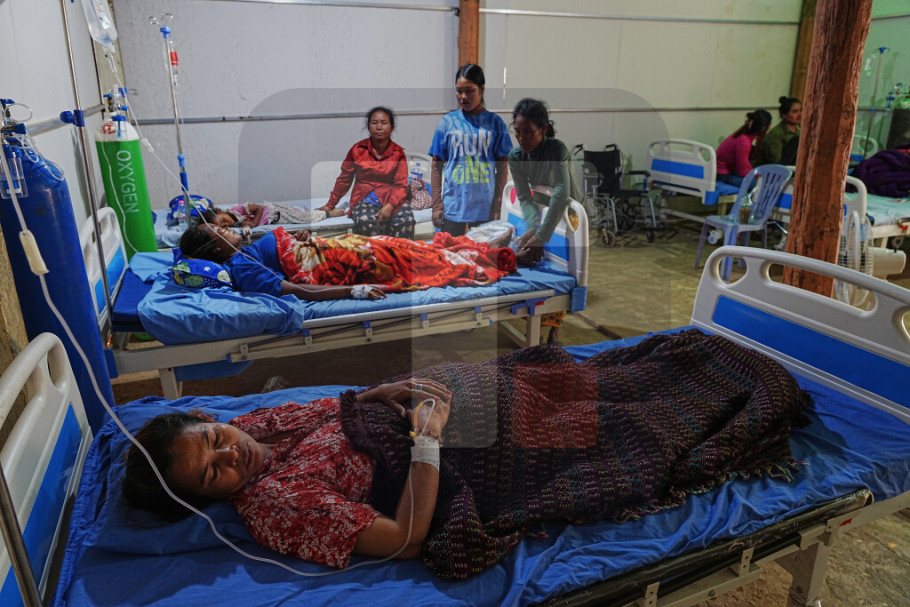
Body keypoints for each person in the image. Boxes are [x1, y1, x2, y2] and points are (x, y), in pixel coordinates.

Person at [121, 330, 810, 580]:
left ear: (208, 418)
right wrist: (427, 437)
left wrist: (382, 391)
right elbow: (404, 539)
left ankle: (686, 366)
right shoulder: (276, 509)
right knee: (622, 426)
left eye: (214, 440)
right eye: (212, 474)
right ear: (205, 499)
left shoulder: (253, 420)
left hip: (440, 399)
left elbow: (337, 408)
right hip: (452, 451)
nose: (230, 456)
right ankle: (723, 388)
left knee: (573, 375)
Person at [177, 220, 516, 298]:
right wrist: (353, 291)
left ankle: (479, 247)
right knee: (414, 260)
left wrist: (298, 239)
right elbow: (297, 289)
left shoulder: (245, 253)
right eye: (220, 230)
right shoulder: (243, 268)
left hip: (342, 247)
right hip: (345, 264)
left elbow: (288, 253)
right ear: (216, 250)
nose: (229, 228)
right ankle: (486, 255)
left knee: (403, 246)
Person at [507, 98, 583, 345]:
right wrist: (532, 227)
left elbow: (561, 191)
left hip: (568, 213)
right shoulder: (516, 157)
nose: (522, 138)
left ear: (543, 129)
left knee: (565, 269)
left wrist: (542, 235)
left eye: (528, 132)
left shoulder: (556, 150)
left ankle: (554, 331)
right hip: (542, 210)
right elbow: (524, 197)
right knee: (541, 264)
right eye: (518, 132)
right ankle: (537, 322)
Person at [429, 64, 513, 236]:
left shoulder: (495, 123)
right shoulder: (447, 123)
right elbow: (436, 166)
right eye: (459, 91)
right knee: (451, 251)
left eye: (469, 91)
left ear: (482, 89)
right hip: (453, 207)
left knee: (482, 251)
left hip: (485, 207)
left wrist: (497, 206)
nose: (463, 97)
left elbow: (502, 168)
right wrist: (436, 206)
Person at [316, 107, 415, 239]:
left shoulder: (398, 154)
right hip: (364, 198)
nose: (379, 127)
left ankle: (398, 252)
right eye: (374, 123)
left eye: (384, 123)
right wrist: (330, 205)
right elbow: (344, 180)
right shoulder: (357, 150)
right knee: (366, 221)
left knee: (406, 220)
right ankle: (377, 252)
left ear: (392, 128)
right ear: (368, 127)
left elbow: (401, 185)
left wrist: (389, 207)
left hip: (391, 199)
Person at [715, 109, 772, 188]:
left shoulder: (743, 132)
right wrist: (759, 176)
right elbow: (742, 171)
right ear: (764, 128)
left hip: (728, 169)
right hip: (722, 174)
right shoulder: (744, 141)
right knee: (761, 185)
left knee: (754, 168)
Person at [201, 202, 327, 230]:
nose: (227, 224)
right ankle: (320, 211)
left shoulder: (238, 209)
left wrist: (254, 223)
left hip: (276, 213)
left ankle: (329, 212)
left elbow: (259, 208)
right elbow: (245, 224)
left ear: (220, 211)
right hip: (276, 219)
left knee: (306, 219)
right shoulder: (236, 224)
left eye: (224, 220)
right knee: (302, 216)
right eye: (223, 226)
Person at [753, 97, 801, 167]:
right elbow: (776, 162)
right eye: (795, 112)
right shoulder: (776, 134)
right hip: (768, 170)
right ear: (783, 115)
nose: (800, 115)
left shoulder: (800, 128)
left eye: (801, 110)